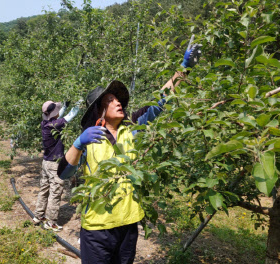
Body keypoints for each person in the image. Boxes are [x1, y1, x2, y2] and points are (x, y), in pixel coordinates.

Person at [57, 36, 202, 263]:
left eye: (119, 99)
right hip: (97, 228)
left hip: (128, 224)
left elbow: (159, 101)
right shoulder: (89, 139)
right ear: (99, 111)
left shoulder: (132, 128)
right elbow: (64, 173)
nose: (118, 102)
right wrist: (78, 143)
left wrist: (183, 69)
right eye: (110, 99)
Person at [33, 99, 82, 231]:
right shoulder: (56, 124)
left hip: (45, 163)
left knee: (44, 188)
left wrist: (64, 106)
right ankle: (50, 222)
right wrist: (79, 102)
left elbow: (58, 116)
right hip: (54, 165)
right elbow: (71, 115)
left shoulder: (46, 123)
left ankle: (39, 215)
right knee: (55, 191)